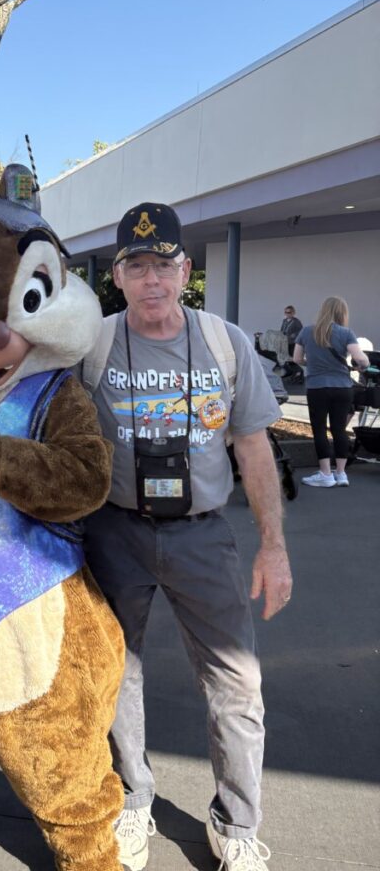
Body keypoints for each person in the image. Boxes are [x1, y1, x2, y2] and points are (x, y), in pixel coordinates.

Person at [81, 203, 292, 871]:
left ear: (185, 270)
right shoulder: (91, 344)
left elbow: (254, 448)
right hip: (115, 531)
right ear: (117, 274)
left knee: (236, 681)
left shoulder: (225, 342)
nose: (152, 280)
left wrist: (273, 545)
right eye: (136, 266)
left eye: (163, 265)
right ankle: (131, 802)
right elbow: (7, 379)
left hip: (204, 535)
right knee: (117, 675)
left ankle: (237, 821)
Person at [293, 296, 369, 488]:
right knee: (339, 429)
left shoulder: (307, 331)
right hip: (342, 387)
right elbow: (361, 359)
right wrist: (362, 366)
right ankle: (341, 473)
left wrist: (313, 362)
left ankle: (325, 474)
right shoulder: (346, 333)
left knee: (319, 429)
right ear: (342, 313)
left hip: (317, 387)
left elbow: (296, 359)